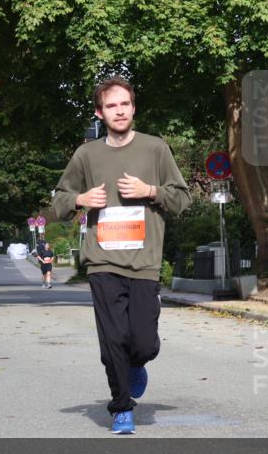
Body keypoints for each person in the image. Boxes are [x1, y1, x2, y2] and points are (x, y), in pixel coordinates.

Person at [53, 77, 191, 434]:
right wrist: (81, 200)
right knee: (112, 339)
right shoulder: (87, 155)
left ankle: (134, 366)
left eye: (125, 104)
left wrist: (151, 191)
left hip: (145, 262)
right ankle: (121, 406)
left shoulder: (155, 149)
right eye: (111, 106)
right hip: (102, 261)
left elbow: (181, 199)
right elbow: (59, 201)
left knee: (143, 342)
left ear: (133, 108)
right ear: (100, 113)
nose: (119, 111)